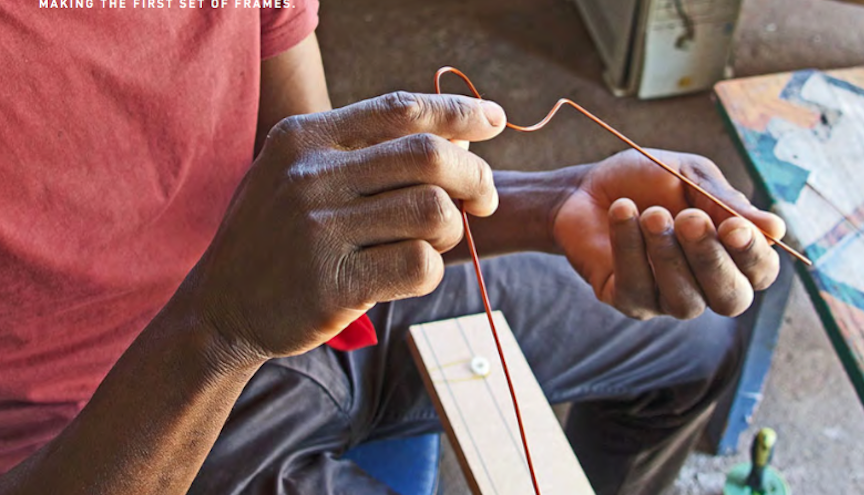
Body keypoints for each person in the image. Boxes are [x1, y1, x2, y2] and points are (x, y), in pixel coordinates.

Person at [0, 2, 783, 494]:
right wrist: (219, 327)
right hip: (107, 432)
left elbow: (321, 194)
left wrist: (559, 203)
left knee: (703, 339)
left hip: (286, 318)